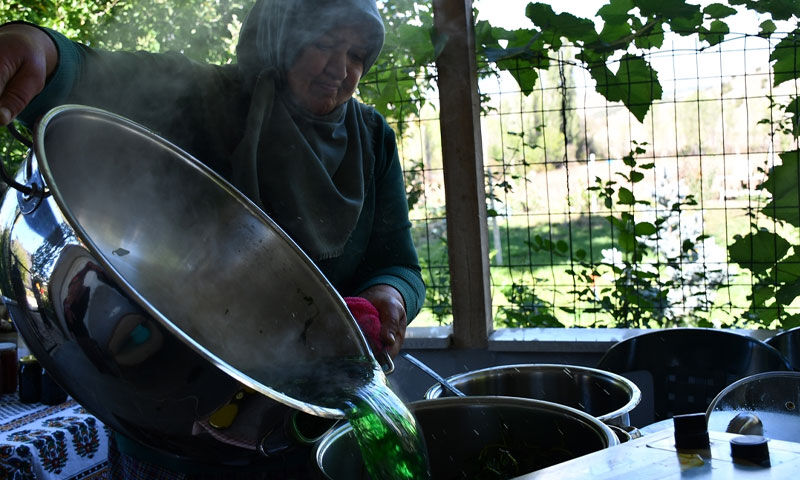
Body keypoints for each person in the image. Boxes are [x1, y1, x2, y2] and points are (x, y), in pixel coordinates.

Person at [0, 0, 426, 477]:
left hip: (308, 423)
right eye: (324, 43)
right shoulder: (210, 99)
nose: (340, 69)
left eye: (357, 54)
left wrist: (389, 294)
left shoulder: (371, 139)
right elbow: (96, 78)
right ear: (280, 38)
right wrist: (39, 49)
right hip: (177, 419)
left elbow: (400, 264)